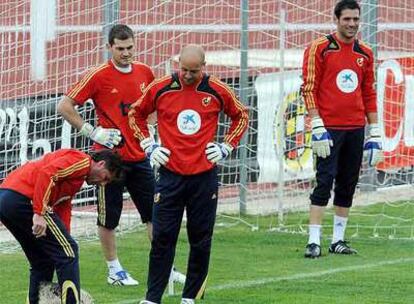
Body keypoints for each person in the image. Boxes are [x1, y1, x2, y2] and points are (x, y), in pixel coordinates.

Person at [57, 24, 184, 286]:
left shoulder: (145, 72)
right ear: (109, 47)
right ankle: (114, 270)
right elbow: (64, 105)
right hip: (109, 160)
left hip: (140, 157)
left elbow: (154, 105)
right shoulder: (98, 75)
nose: (126, 53)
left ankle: (165, 268)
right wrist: (92, 132)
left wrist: (151, 134)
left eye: (130, 48)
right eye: (120, 48)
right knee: (109, 217)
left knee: (154, 214)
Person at [129, 44, 249, 304]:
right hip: (170, 175)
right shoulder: (161, 87)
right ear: (178, 65)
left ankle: (190, 298)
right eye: (184, 69)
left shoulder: (217, 90)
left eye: (194, 71)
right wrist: (148, 146)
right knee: (162, 238)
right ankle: (152, 298)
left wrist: (226, 146)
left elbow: (241, 116)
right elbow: (135, 114)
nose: (188, 75)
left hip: (203, 177)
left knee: (201, 239)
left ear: (203, 67)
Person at [301, 0, 382, 258]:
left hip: (356, 128)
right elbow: (309, 87)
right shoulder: (320, 48)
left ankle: (338, 240)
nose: (352, 24)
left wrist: (376, 131)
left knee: (348, 183)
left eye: (356, 19)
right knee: (324, 181)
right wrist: (316, 124)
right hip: (328, 128)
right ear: (336, 19)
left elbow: (368, 92)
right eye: (347, 19)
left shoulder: (366, 53)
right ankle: (313, 240)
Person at [0, 149, 123, 304]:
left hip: (6, 200)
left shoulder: (77, 178)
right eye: (105, 177)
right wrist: (39, 212)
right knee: (69, 252)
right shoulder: (82, 161)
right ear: (101, 163)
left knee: (43, 261)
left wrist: (65, 236)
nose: (103, 183)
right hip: (23, 199)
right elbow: (48, 173)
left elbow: (63, 207)